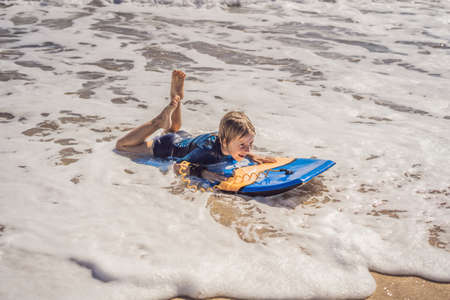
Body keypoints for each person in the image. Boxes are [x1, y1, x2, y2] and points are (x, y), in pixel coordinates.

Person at [115, 70, 274, 182]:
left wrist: (252, 156)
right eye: (243, 145)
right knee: (122, 146)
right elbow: (178, 167)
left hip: (184, 139)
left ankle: (176, 98)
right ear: (224, 142)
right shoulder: (207, 151)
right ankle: (158, 122)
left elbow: (235, 145)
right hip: (168, 146)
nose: (248, 149)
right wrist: (202, 172)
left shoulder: (227, 141)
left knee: (174, 128)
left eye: (250, 144)